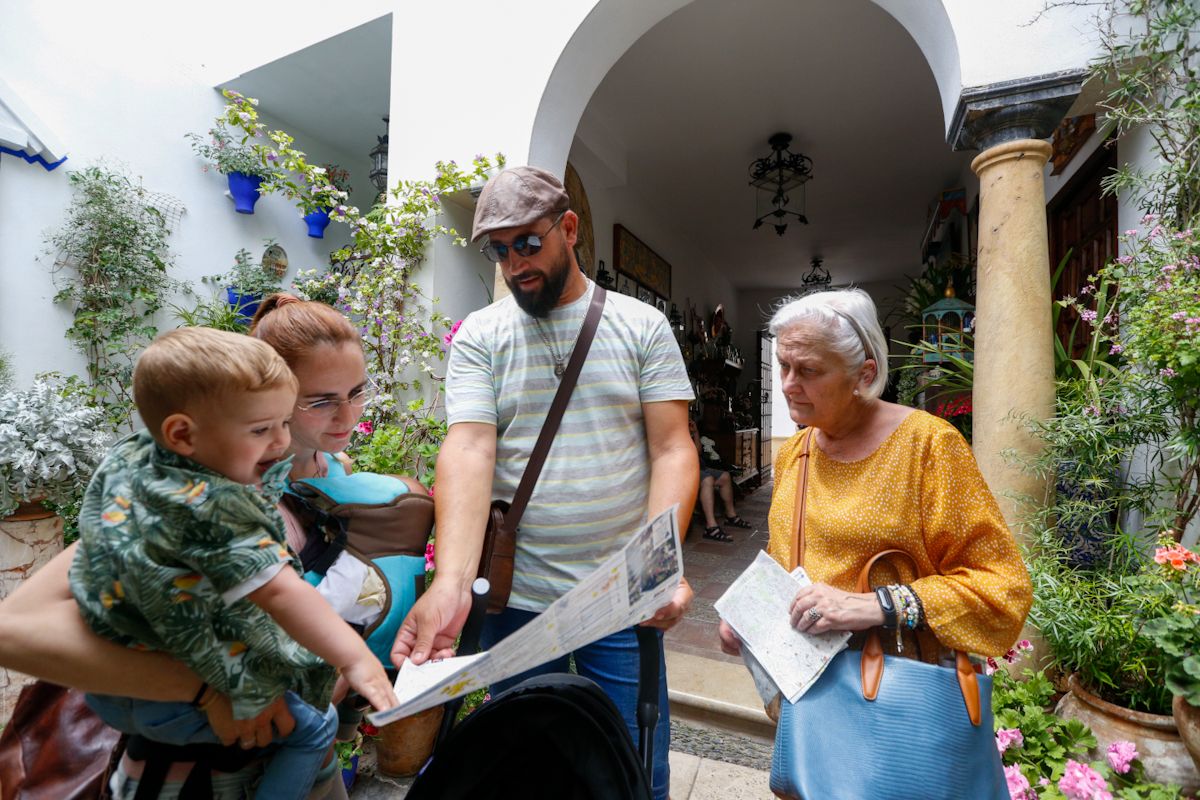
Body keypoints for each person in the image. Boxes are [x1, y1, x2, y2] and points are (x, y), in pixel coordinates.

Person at [0, 303, 411, 800]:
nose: (348, 415)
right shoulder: (180, 496)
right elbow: (13, 632)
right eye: (321, 401)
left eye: (357, 392)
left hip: (297, 764)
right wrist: (205, 688)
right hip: (191, 773)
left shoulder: (341, 482)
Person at [390, 165, 698, 800]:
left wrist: (657, 565)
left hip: (620, 596)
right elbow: (470, 449)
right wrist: (449, 583)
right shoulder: (481, 334)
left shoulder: (642, 326)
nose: (514, 262)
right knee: (528, 764)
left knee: (636, 767)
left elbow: (671, 447)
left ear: (569, 229)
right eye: (498, 250)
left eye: (528, 242)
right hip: (515, 597)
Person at [718, 287, 1031, 668]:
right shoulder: (795, 452)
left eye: (809, 370)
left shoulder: (927, 446)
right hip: (804, 692)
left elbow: (1001, 589)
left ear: (864, 374)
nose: (787, 384)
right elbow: (786, 556)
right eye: (784, 365)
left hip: (893, 698)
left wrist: (878, 605)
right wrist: (750, 612)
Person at [688, 419, 752, 542]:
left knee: (725, 477)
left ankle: (731, 516)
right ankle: (711, 527)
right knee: (707, 479)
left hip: (699, 467)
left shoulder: (687, 428)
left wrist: (695, 432)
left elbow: (698, 452)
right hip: (686, 470)